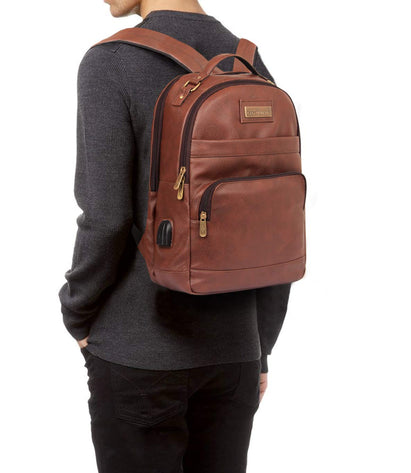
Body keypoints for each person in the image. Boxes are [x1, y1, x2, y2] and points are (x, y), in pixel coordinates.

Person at [58, 0, 292, 471]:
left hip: (139, 355)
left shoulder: (110, 62)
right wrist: (260, 346)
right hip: (236, 358)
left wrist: (76, 313)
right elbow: (274, 223)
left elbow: (106, 218)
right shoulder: (246, 60)